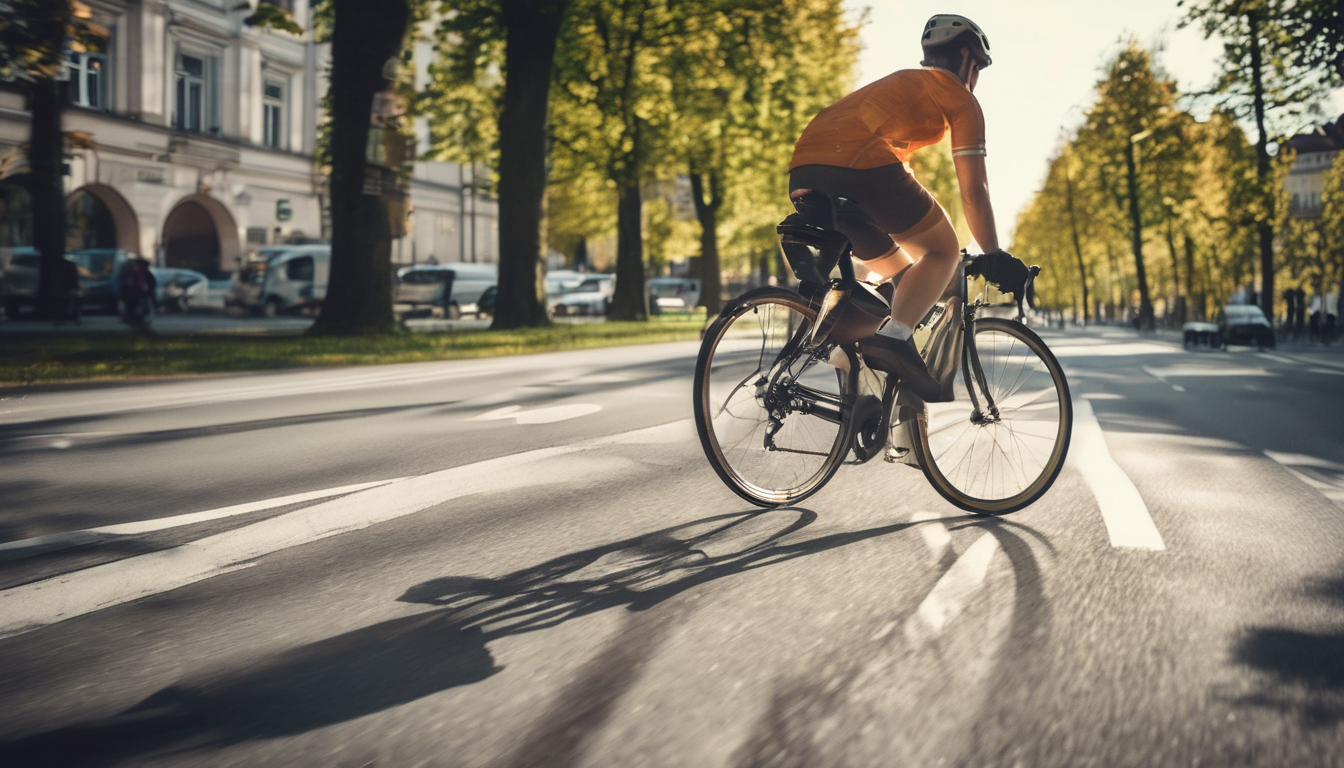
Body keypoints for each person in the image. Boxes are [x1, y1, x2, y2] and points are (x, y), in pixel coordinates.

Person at [787, 14, 1010, 401]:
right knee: (942, 251)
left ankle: (854, 361)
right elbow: (974, 189)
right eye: (978, 68)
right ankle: (893, 339)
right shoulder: (960, 98)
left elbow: (891, 164)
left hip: (803, 172)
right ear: (966, 57)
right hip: (858, 167)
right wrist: (994, 253)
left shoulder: (902, 84)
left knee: (906, 279)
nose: (976, 78)